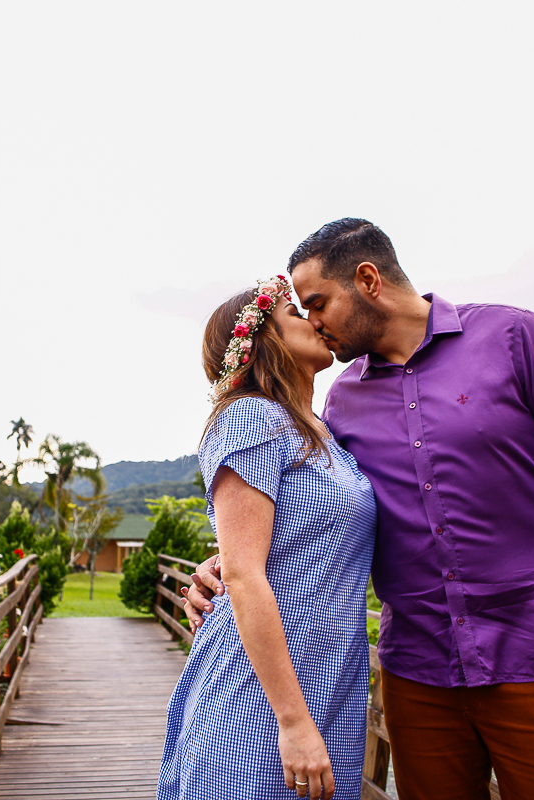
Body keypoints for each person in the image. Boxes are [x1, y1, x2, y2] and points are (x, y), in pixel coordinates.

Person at [183, 219, 534, 800]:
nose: (313, 320)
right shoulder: (342, 401)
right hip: (417, 675)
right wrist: (225, 564)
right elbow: (305, 506)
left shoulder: (514, 338)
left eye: (318, 303)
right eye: (301, 311)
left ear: (368, 280)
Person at [157, 275, 378, 800]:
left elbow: (289, 542)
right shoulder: (251, 417)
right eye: (295, 314)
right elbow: (245, 572)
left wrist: (219, 563)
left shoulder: (322, 432)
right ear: (265, 342)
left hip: (331, 679)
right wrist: (294, 721)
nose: (315, 320)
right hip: (262, 697)